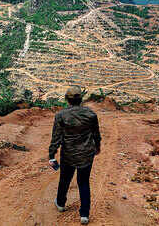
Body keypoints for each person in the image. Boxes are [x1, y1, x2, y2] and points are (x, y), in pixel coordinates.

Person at [48, 85, 101, 225]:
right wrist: (98, 147)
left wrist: (51, 155)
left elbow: (56, 138)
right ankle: (84, 214)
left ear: (67, 99)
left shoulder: (61, 115)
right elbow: (96, 134)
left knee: (64, 180)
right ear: (81, 99)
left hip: (68, 155)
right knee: (83, 182)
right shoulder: (91, 115)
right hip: (86, 154)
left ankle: (60, 204)